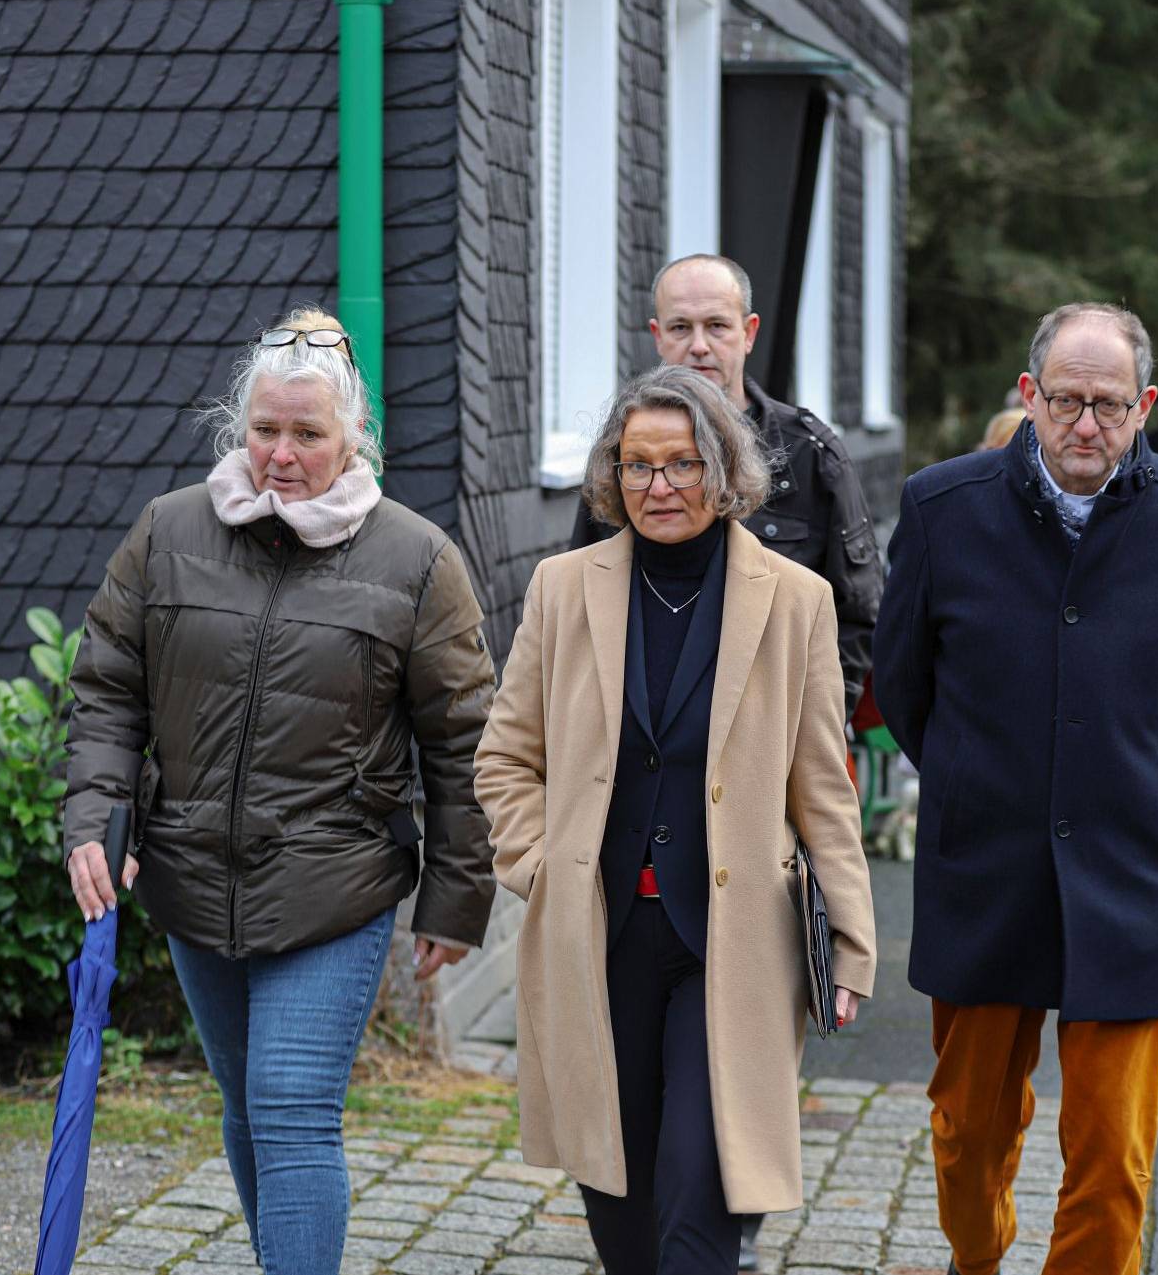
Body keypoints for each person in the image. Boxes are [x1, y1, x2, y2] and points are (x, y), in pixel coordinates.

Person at [62, 308, 499, 1275]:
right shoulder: (168, 531)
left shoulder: (417, 559)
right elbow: (108, 691)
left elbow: (463, 741)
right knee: (246, 1106)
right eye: (266, 429)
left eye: (308, 433)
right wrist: (95, 818)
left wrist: (456, 896)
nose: (283, 455)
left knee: (293, 1107)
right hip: (191, 874)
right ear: (240, 425)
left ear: (353, 437)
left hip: (334, 882)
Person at [874, 303, 1158, 1275]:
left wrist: (1137, 779)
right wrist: (972, 776)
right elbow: (903, 685)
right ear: (1028, 394)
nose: (1087, 424)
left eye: (1109, 405)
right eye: (1067, 400)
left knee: (1113, 1156)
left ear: (1145, 406)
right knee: (966, 1134)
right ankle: (977, 1256)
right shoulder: (941, 508)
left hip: (1128, 869)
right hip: (984, 866)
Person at [478, 365, 877, 1275]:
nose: (659, 485)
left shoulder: (795, 600)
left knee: (702, 1190)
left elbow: (823, 786)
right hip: (598, 932)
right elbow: (504, 757)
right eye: (638, 465)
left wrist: (851, 942)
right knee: (619, 1195)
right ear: (612, 475)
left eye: (683, 464)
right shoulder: (562, 588)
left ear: (724, 470)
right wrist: (541, 864)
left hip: (733, 943)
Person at [569, 254, 882, 717]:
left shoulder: (809, 455)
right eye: (680, 328)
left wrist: (807, 725)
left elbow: (857, 614)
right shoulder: (622, 447)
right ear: (657, 336)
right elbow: (584, 594)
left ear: (749, 332)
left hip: (771, 734)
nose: (699, 346)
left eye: (717, 326)